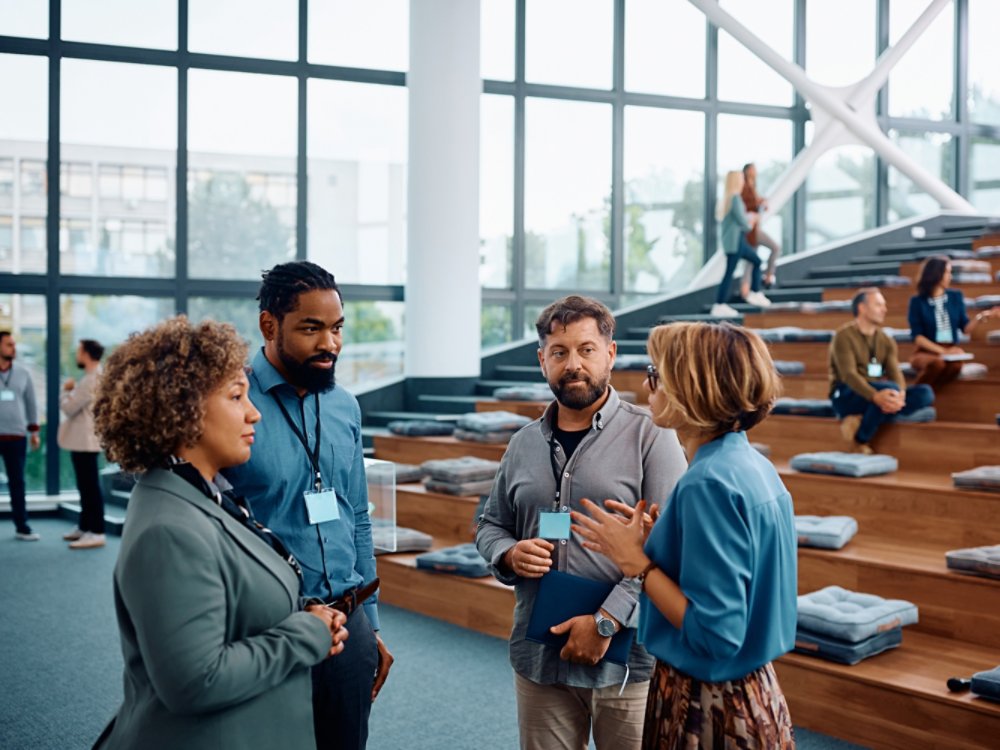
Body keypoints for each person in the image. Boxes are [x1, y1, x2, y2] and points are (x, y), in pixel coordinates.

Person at [91, 316, 347, 750]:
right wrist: (307, 633)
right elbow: (195, 681)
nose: (254, 412)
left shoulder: (202, 493)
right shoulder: (168, 528)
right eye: (236, 396)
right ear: (183, 408)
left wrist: (306, 610)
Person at [570, 322, 797, 749]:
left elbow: (715, 634)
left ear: (693, 388)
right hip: (755, 690)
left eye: (657, 373)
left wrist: (637, 562)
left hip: (708, 702)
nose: (646, 384)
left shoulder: (707, 483)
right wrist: (666, 544)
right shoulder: (750, 465)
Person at [476, 295, 687, 750]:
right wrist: (508, 553)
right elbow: (490, 525)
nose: (573, 364)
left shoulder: (652, 435)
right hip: (540, 658)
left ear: (610, 354)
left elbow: (672, 548)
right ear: (542, 360)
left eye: (586, 349)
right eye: (559, 352)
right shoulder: (522, 444)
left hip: (625, 660)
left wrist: (607, 621)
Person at [224, 260, 392, 750]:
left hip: (348, 623)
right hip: (266, 630)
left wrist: (371, 622)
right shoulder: (231, 402)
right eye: (311, 329)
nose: (330, 345)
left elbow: (357, 516)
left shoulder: (344, 405)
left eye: (337, 328)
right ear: (269, 325)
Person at [829, 288, 935, 454]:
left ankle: (861, 418)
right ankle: (860, 440)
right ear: (862, 308)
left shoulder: (886, 340)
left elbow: (895, 372)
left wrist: (900, 393)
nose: (884, 309)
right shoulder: (843, 336)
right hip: (846, 393)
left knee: (926, 393)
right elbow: (848, 375)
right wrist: (875, 396)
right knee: (887, 392)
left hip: (880, 393)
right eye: (878, 305)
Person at [907, 255, 999, 388]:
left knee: (956, 366)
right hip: (925, 351)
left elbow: (965, 329)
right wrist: (942, 351)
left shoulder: (955, 297)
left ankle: (925, 395)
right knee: (938, 364)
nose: (950, 276)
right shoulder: (917, 302)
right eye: (947, 272)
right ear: (936, 274)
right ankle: (911, 396)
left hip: (950, 349)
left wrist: (981, 316)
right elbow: (918, 337)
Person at [59, 338, 107, 549]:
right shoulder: (92, 377)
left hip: (86, 441)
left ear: (87, 353)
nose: (77, 355)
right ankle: (85, 526)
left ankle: (96, 531)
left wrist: (66, 390)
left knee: (89, 487)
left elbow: (69, 408)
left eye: (79, 351)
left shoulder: (91, 380)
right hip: (83, 441)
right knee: (85, 486)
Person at [0, 331, 41, 541]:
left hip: (16, 436)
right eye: (9, 345)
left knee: (17, 483)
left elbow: (31, 403)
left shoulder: (23, 373)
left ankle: (22, 526)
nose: (13, 348)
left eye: (14, 344)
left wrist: (34, 431)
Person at [713, 171, 769, 319]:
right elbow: (743, 223)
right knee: (732, 271)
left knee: (755, 261)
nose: (743, 181)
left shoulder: (725, 199)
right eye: (741, 178)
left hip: (733, 242)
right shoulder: (735, 198)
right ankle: (720, 304)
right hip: (736, 242)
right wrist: (752, 219)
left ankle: (753, 293)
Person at [739, 162, 782, 292]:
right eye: (753, 170)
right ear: (747, 171)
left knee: (751, 261)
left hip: (753, 228)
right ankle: (768, 277)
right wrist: (760, 203)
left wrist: (761, 202)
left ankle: (745, 290)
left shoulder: (751, 187)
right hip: (751, 230)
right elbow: (749, 205)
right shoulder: (745, 188)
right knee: (775, 248)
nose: (755, 172)